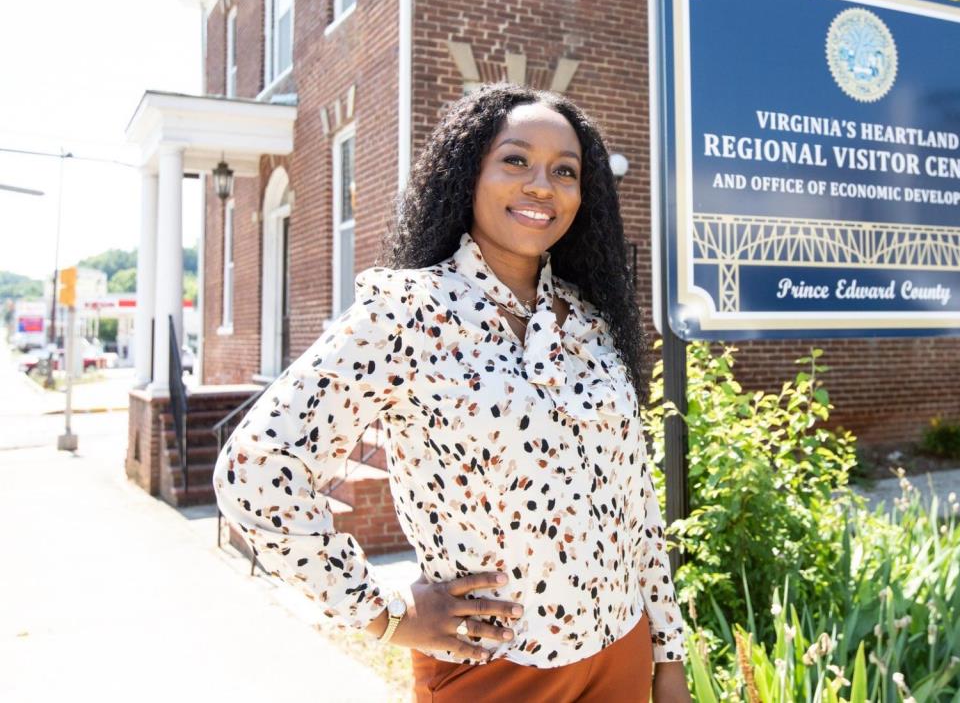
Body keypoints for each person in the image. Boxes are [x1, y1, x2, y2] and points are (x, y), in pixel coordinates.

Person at [213, 84, 690, 702]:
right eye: (515, 160)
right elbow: (257, 470)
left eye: (564, 171)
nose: (541, 185)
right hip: (497, 670)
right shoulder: (407, 314)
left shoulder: (591, 324)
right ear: (470, 173)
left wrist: (667, 657)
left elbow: (637, 504)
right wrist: (383, 613)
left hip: (622, 653)